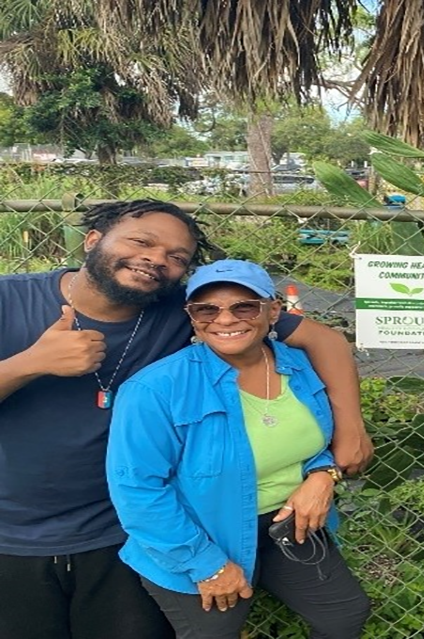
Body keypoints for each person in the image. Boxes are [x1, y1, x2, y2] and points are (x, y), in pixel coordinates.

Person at [0, 200, 372, 639]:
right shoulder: (10, 299)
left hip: (119, 528)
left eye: (176, 256)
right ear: (93, 240)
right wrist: (28, 364)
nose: (156, 259)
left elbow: (325, 340)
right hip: (14, 528)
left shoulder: (193, 308)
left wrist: (347, 435)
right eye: (142, 241)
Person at [107, 260, 371, 638]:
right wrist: (206, 565)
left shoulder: (300, 367)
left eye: (244, 307)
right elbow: (137, 489)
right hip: (200, 536)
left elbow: (315, 442)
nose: (225, 319)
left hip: (287, 524)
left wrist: (322, 474)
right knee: (217, 632)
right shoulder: (155, 389)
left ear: (273, 311)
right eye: (207, 309)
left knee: (344, 615)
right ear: (192, 317)